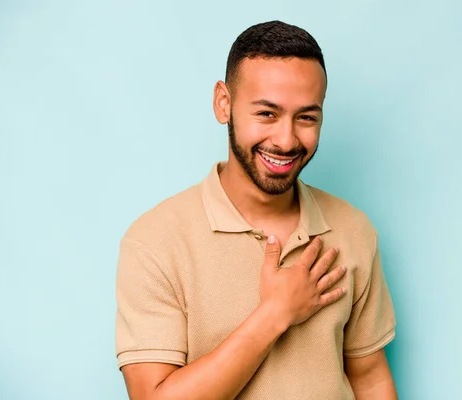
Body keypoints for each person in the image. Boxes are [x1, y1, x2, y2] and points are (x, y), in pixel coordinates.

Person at [115, 20, 398, 400]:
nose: (285, 140)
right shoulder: (154, 241)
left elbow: (370, 377)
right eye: (267, 113)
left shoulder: (352, 229)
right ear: (224, 103)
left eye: (306, 118)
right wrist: (276, 314)